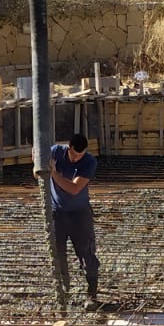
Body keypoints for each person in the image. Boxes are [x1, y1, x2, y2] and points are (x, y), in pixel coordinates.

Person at [47, 132, 100, 311]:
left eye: (80, 155)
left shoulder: (89, 161)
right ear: (68, 147)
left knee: (86, 254)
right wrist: (38, 162)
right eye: (74, 155)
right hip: (57, 214)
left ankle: (92, 294)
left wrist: (54, 174)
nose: (77, 159)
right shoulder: (55, 152)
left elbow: (74, 188)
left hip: (79, 214)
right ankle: (63, 290)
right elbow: (37, 161)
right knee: (57, 254)